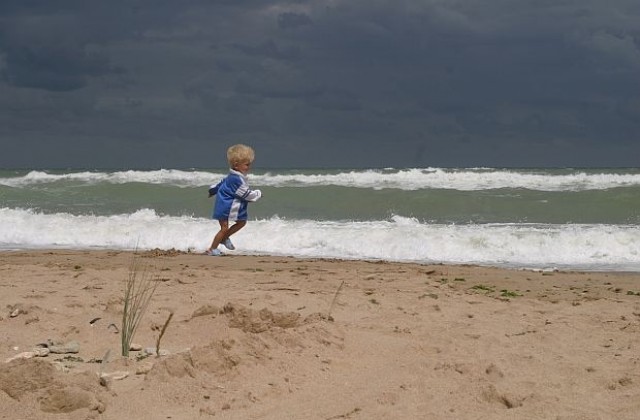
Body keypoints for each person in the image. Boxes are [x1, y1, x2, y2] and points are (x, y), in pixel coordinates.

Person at [205, 144, 262, 256]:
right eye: (246, 164)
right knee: (225, 228)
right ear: (236, 165)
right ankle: (212, 248)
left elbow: (220, 184)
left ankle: (224, 238)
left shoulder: (233, 176)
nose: (249, 167)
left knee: (241, 222)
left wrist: (212, 190)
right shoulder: (236, 179)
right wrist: (258, 194)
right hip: (226, 207)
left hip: (224, 205)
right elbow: (245, 194)